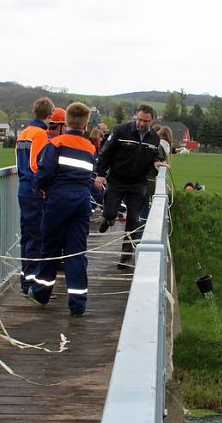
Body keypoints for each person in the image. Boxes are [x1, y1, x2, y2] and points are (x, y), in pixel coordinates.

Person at [27, 102, 96, 316]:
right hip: (82, 201)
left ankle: (40, 293)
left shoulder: (56, 143)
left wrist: (38, 188)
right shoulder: (90, 148)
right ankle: (78, 303)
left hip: (58, 201)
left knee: (50, 249)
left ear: (66, 123)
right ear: (85, 125)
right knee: (77, 252)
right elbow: (89, 177)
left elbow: (44, 172)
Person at [94, 104, 166, 269]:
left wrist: (156, 163)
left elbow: (154, 154)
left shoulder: (154, 138)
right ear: (135, 117)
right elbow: (105, 153)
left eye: (146, 121)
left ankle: (125, 257)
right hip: (117, 180)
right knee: (111, 211)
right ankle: (108, 218)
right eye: (139, 119)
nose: (141, 124)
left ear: (152, 120)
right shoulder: (121, 130)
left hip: (138, 184)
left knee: (133, 220)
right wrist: (100, 174)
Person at [15, 97, 54, 293]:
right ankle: (31, 280)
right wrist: (42, 185)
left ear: (33, 112)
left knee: (26, 235)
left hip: (22, 187)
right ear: (49, 116)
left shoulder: (23, 133)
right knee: (36, 236)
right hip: (33, 190)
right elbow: (35, 164)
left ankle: (25, 276)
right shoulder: (40, 134)